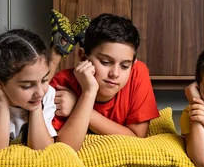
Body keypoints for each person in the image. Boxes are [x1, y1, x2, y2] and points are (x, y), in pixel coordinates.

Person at [47, 12, 160, 151]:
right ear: (83, 57)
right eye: (106, 62)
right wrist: (88, 92)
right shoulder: (63, 83)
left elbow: (137, 139)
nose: (115, 74)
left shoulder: (137, 72)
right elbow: (66, 147)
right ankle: (58, 50)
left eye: (125, 66)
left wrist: (78, 105)